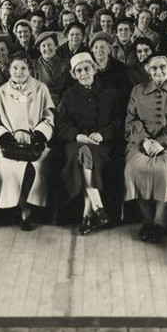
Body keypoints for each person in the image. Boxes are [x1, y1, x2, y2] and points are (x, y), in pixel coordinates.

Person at [124, 55, 167, 244]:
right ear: (148, 70)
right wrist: (145, 141)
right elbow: (131, 120)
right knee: (134, 168)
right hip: (142, 144)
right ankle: (148, 220)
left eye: (163, 67)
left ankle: (159, 222)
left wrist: (163, 143)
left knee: (165, 170)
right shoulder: (138, 91)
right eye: (153, 68)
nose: (159, 71)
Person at [56, 53, 124, 235]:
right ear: (73, 74)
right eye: (79, 71)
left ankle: (88, 214)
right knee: (83, 152)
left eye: (87, 69)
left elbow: (118, 121)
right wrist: (76, 136)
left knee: (87, 156)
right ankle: (98, 208)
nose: (83, 73)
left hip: (102, 144)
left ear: (94, 68)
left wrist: (103, 134)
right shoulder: (69, 95)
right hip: (75, 144)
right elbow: (61, 125)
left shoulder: (109, 91)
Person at [0, 52, 55, 230]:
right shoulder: (1, 92)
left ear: (30, 70)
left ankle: (33, 205)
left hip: (34, 141)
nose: (19, 72)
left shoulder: (41, 89)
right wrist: (4, 138)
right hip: (9, 143)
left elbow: (48, 117)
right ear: (9, 69)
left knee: (37, 166)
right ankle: (21, 206)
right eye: (15, 68)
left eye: (23, 68)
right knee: (9, 168)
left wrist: (40, 136)